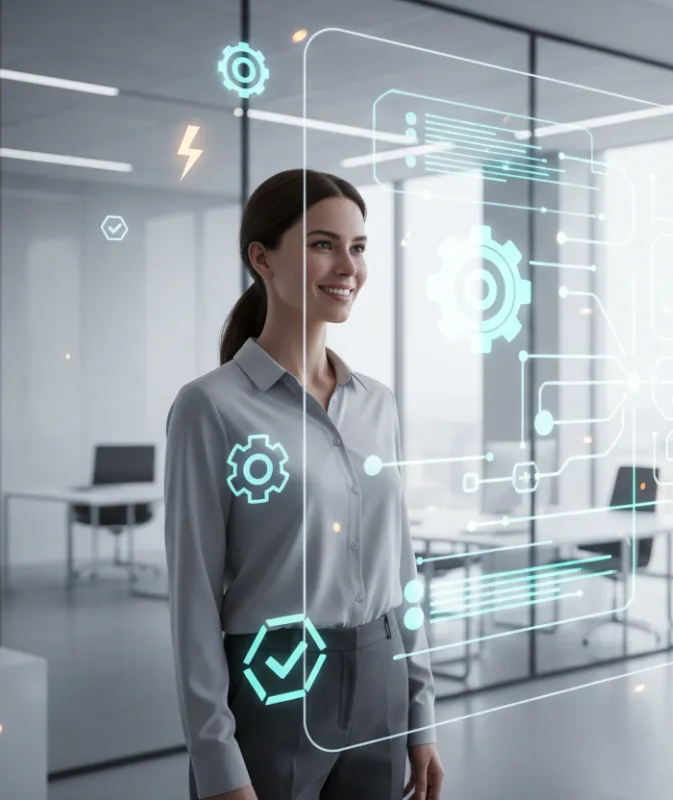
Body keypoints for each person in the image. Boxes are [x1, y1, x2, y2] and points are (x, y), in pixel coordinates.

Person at [164, 169, 444, 800]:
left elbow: (401, 567)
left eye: (358, 247)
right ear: (261, 259)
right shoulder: (211, 407)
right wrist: (217, 761)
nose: (348, 266)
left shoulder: (377, 404)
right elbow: (193, 600)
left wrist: (420, 711)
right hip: (274, 684)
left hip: (381, 683)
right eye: (323, 244)